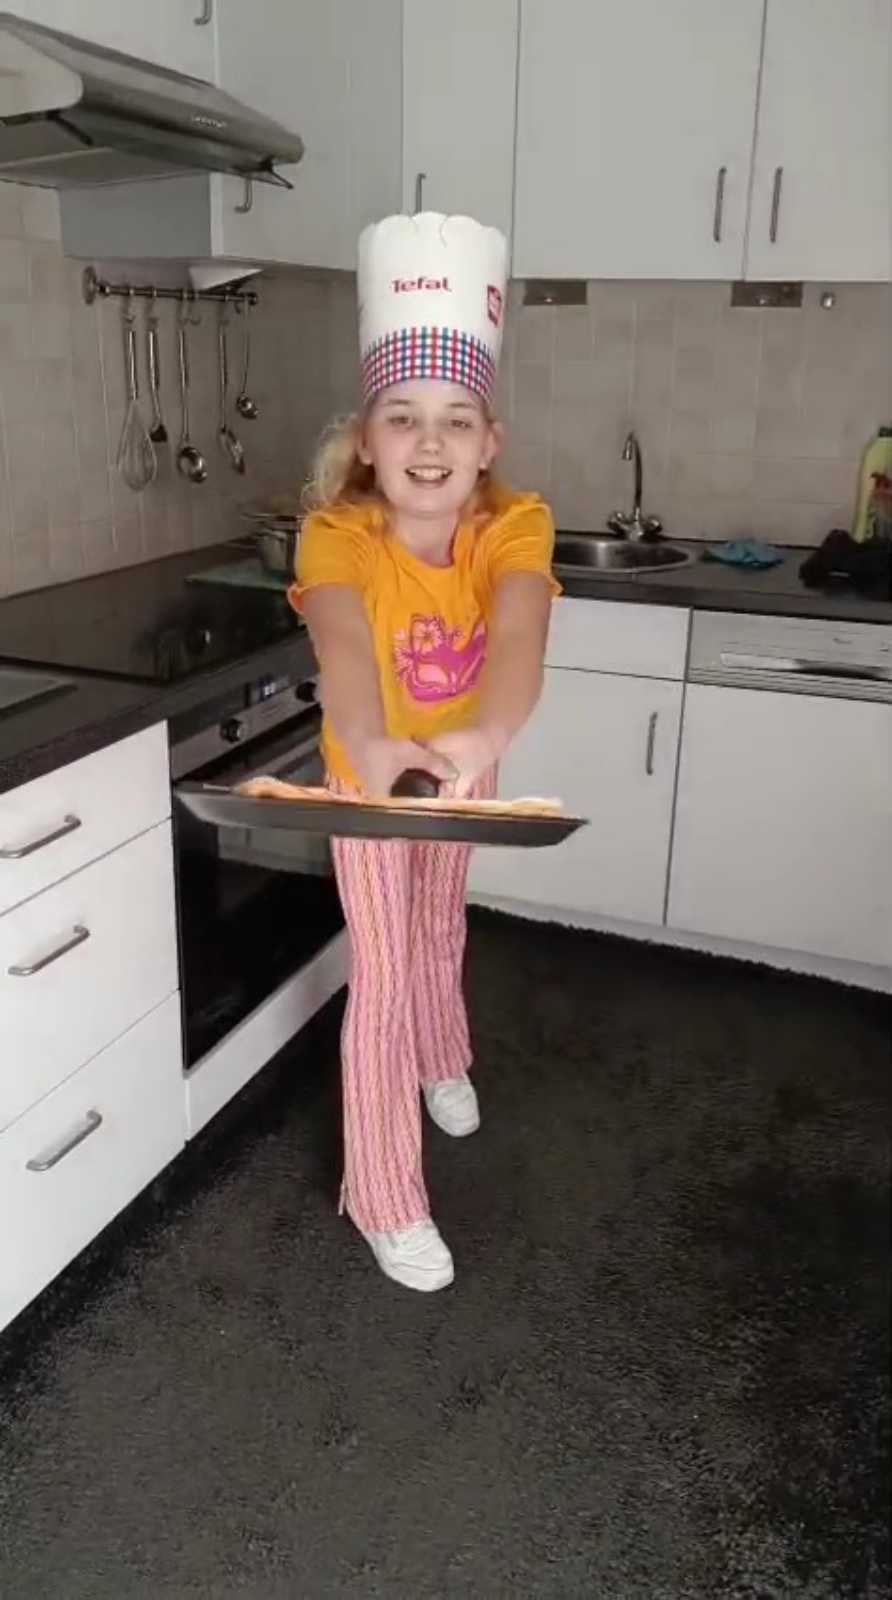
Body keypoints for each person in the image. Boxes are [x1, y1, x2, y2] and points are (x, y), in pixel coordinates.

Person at [289, 212, 558, 1292]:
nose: (430, 442)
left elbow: (522, 637)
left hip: (465, 762)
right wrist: (369, 741)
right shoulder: (335, 534)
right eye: (403, 417)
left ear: (489, 441)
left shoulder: (515, 522)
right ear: (367, 437)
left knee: (441, 924)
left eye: (456, 419)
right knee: (386, 973)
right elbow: (344, 648)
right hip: (365, 777)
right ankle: (385, 1198)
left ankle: (443, 1061)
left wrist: (479, 739)